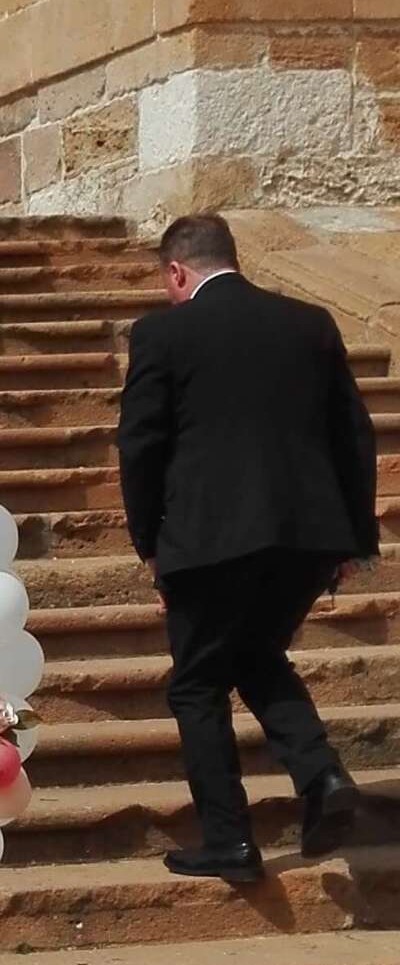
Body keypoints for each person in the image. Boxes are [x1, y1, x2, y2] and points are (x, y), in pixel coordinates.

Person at [117, 211, 379, 881]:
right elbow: (354, 434)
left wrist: (148, 539)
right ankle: (321, 777)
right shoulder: (309, 323)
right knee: (256, 654)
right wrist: (354, 537)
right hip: (307, 535)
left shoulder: (162, 333)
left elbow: (141, 444)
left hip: (209, 538)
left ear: (177, 271)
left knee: (198, 682)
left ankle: (230, 839)